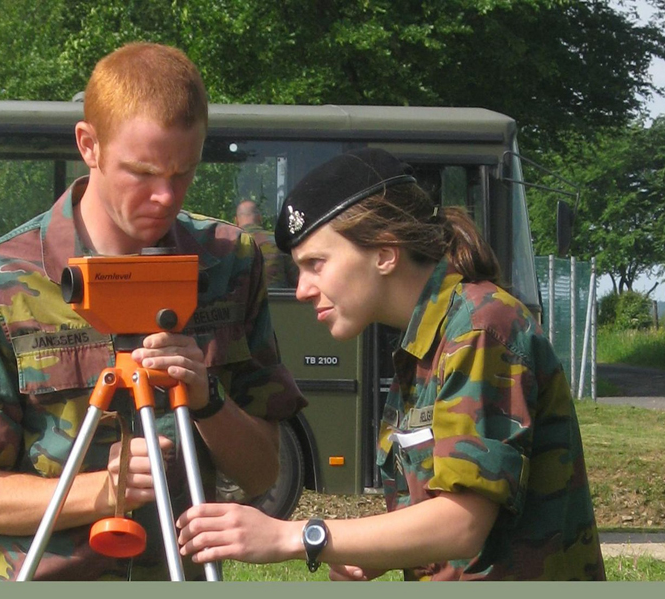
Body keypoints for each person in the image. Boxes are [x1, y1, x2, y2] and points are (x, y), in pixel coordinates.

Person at [0, 42, 306, 581]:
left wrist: (208, 400)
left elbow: (265, 471)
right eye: (142, 172)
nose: (165, 196)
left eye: (183, 172)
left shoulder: (228, 265)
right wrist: (102, 491)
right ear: (89, 145)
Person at [176, 147, 606, 581]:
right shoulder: (427, 342)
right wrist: (381, 552)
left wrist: (298, 536)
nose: (303, 289)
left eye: (316, 264)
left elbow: (464, 523)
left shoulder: (480, 329)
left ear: (385, 254)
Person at [234, 199, 299, 288]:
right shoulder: (279, 241)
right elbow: (297, 279)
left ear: (236, 221)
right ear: (260, 218)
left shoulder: (228, 244)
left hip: (239, 300)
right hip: (278, 300)